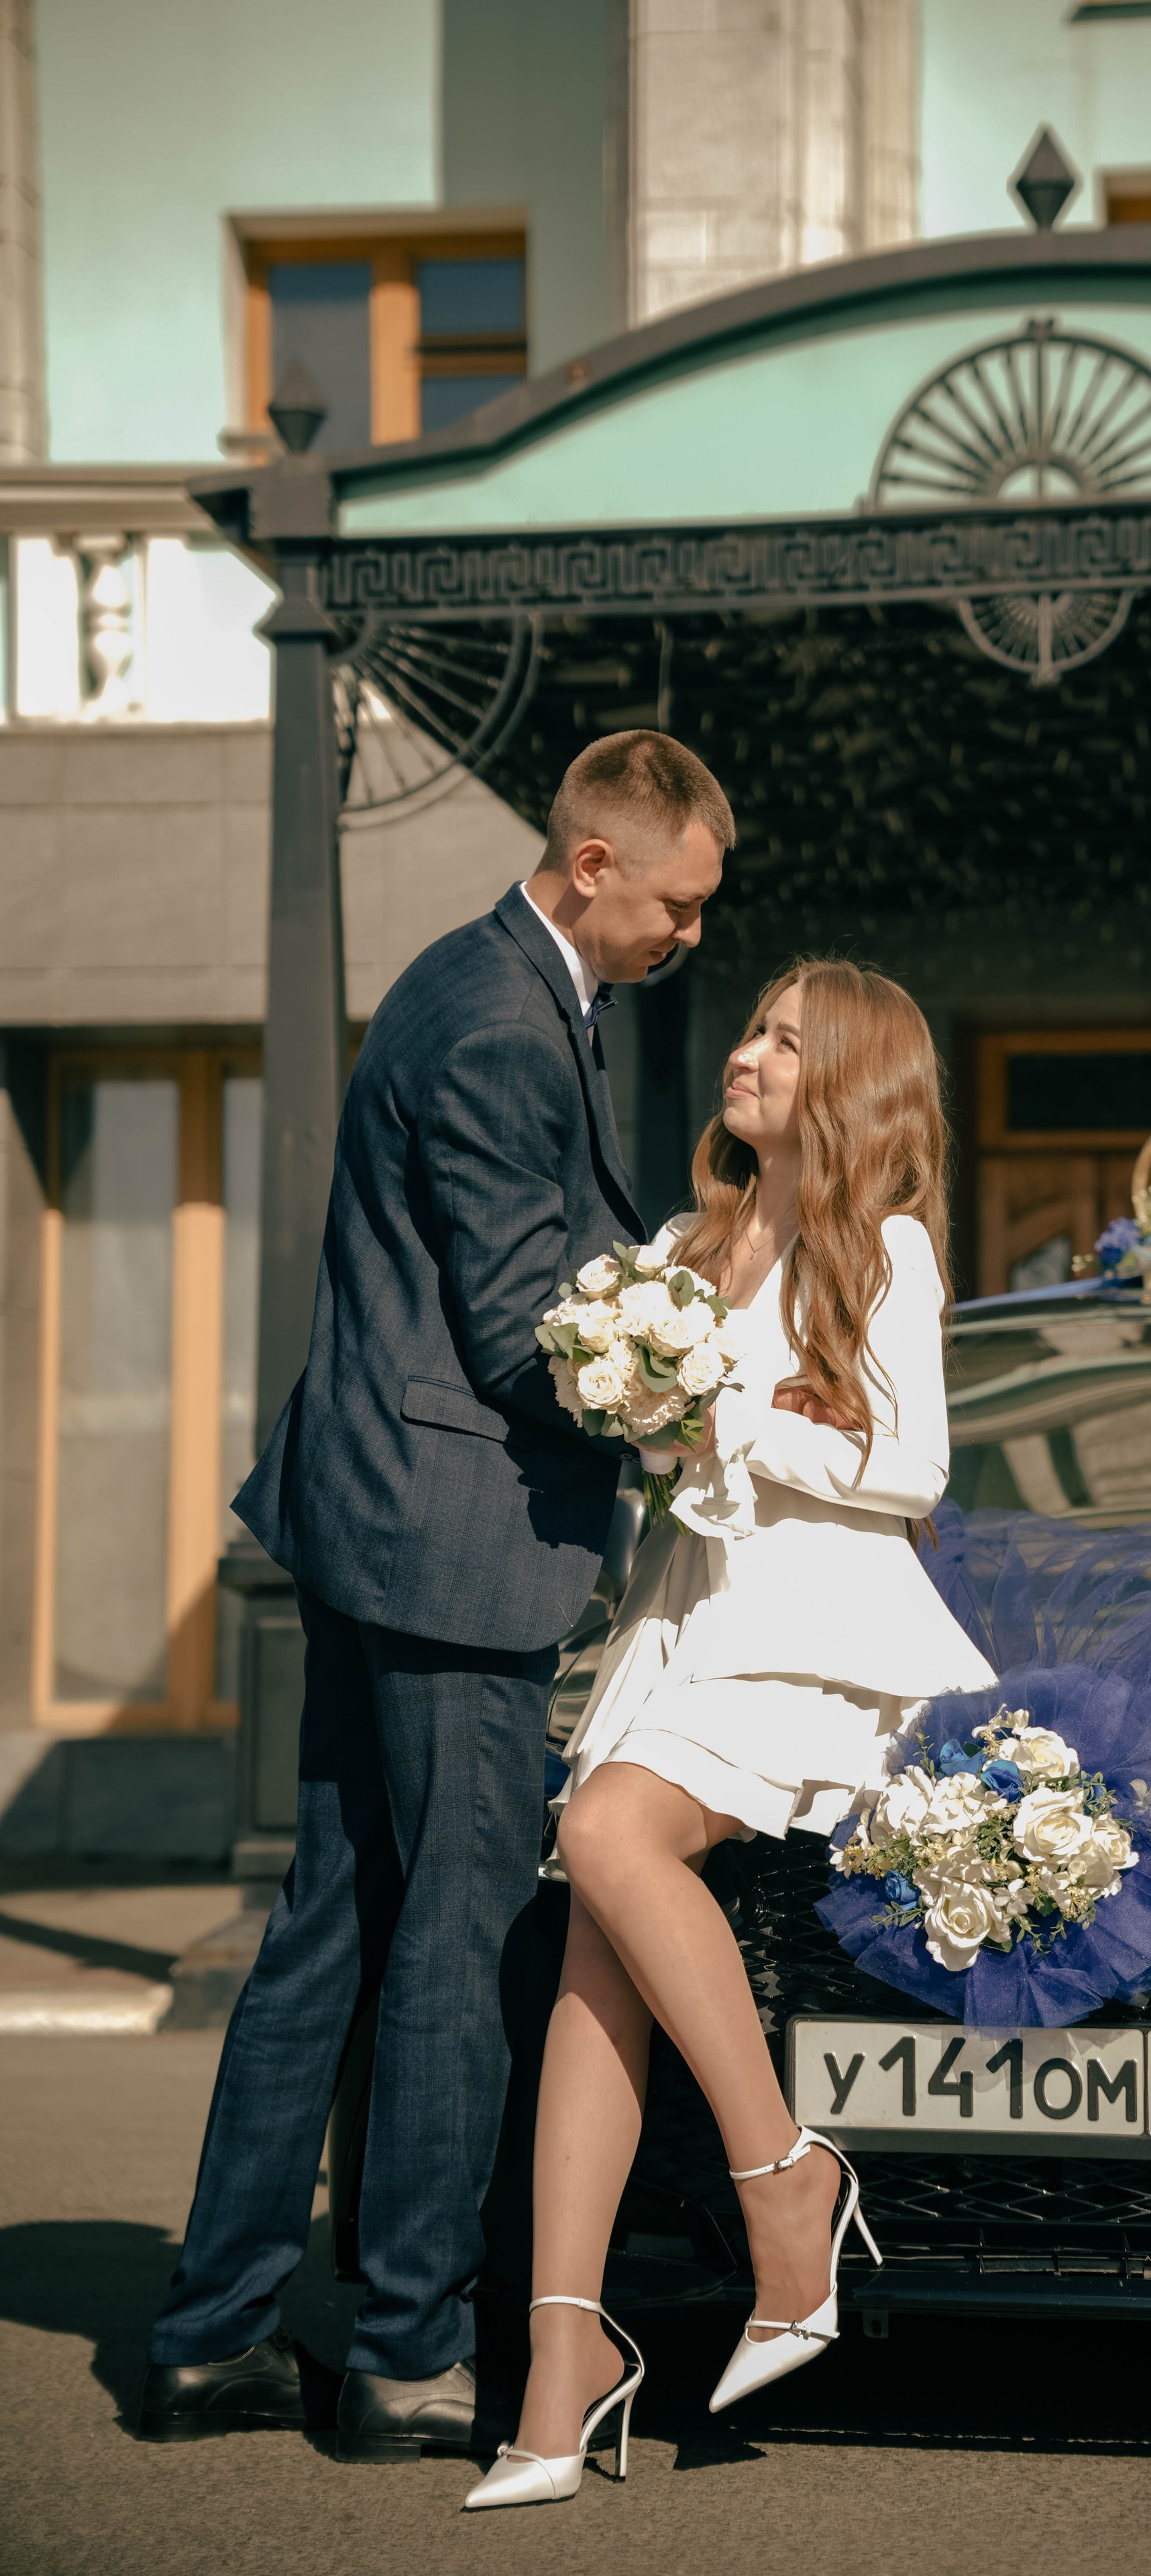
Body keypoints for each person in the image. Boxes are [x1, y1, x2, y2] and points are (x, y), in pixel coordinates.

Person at [140, 731, 732, 2464]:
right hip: (451, 1547)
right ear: (597, 861)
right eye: (682, 904)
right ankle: (405, 2354)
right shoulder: (494, 1016)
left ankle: (209, 2337)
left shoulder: (493, 983)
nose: (693, 935)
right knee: (452, 1952)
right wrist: (682, 1389)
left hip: (374, 1521)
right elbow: (517, 1326)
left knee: (329, 1931)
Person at [463, 960, 996, 2513]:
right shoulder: (686, 1244)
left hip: (808, 1624)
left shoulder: (880, 1247)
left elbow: (911, 1470)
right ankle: (564, 2367)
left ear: (846, 1083)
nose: (747, 1054)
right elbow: (663, 1434)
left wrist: (721, 1415)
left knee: (606, 1835)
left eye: (782, 1038)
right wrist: (629, 1392)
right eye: (751, 1027)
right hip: (682, 1609)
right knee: (590, 1966)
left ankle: (786, 2182)